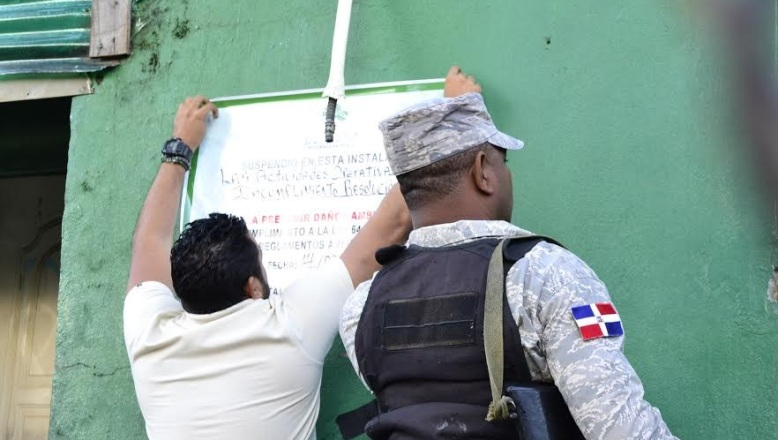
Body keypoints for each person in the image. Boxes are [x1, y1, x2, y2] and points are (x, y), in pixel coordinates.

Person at [339, 66, 678, 439]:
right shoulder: (543, 274)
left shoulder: (363, 305)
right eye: (504, 161)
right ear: (483, 171)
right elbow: (621, 429)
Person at [124, 96, 411, 440]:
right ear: (253, 288)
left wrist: (180, 147)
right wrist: (451, 120)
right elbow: (394, 223)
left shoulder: (148, 337)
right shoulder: (289, 327)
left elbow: (149, 242)